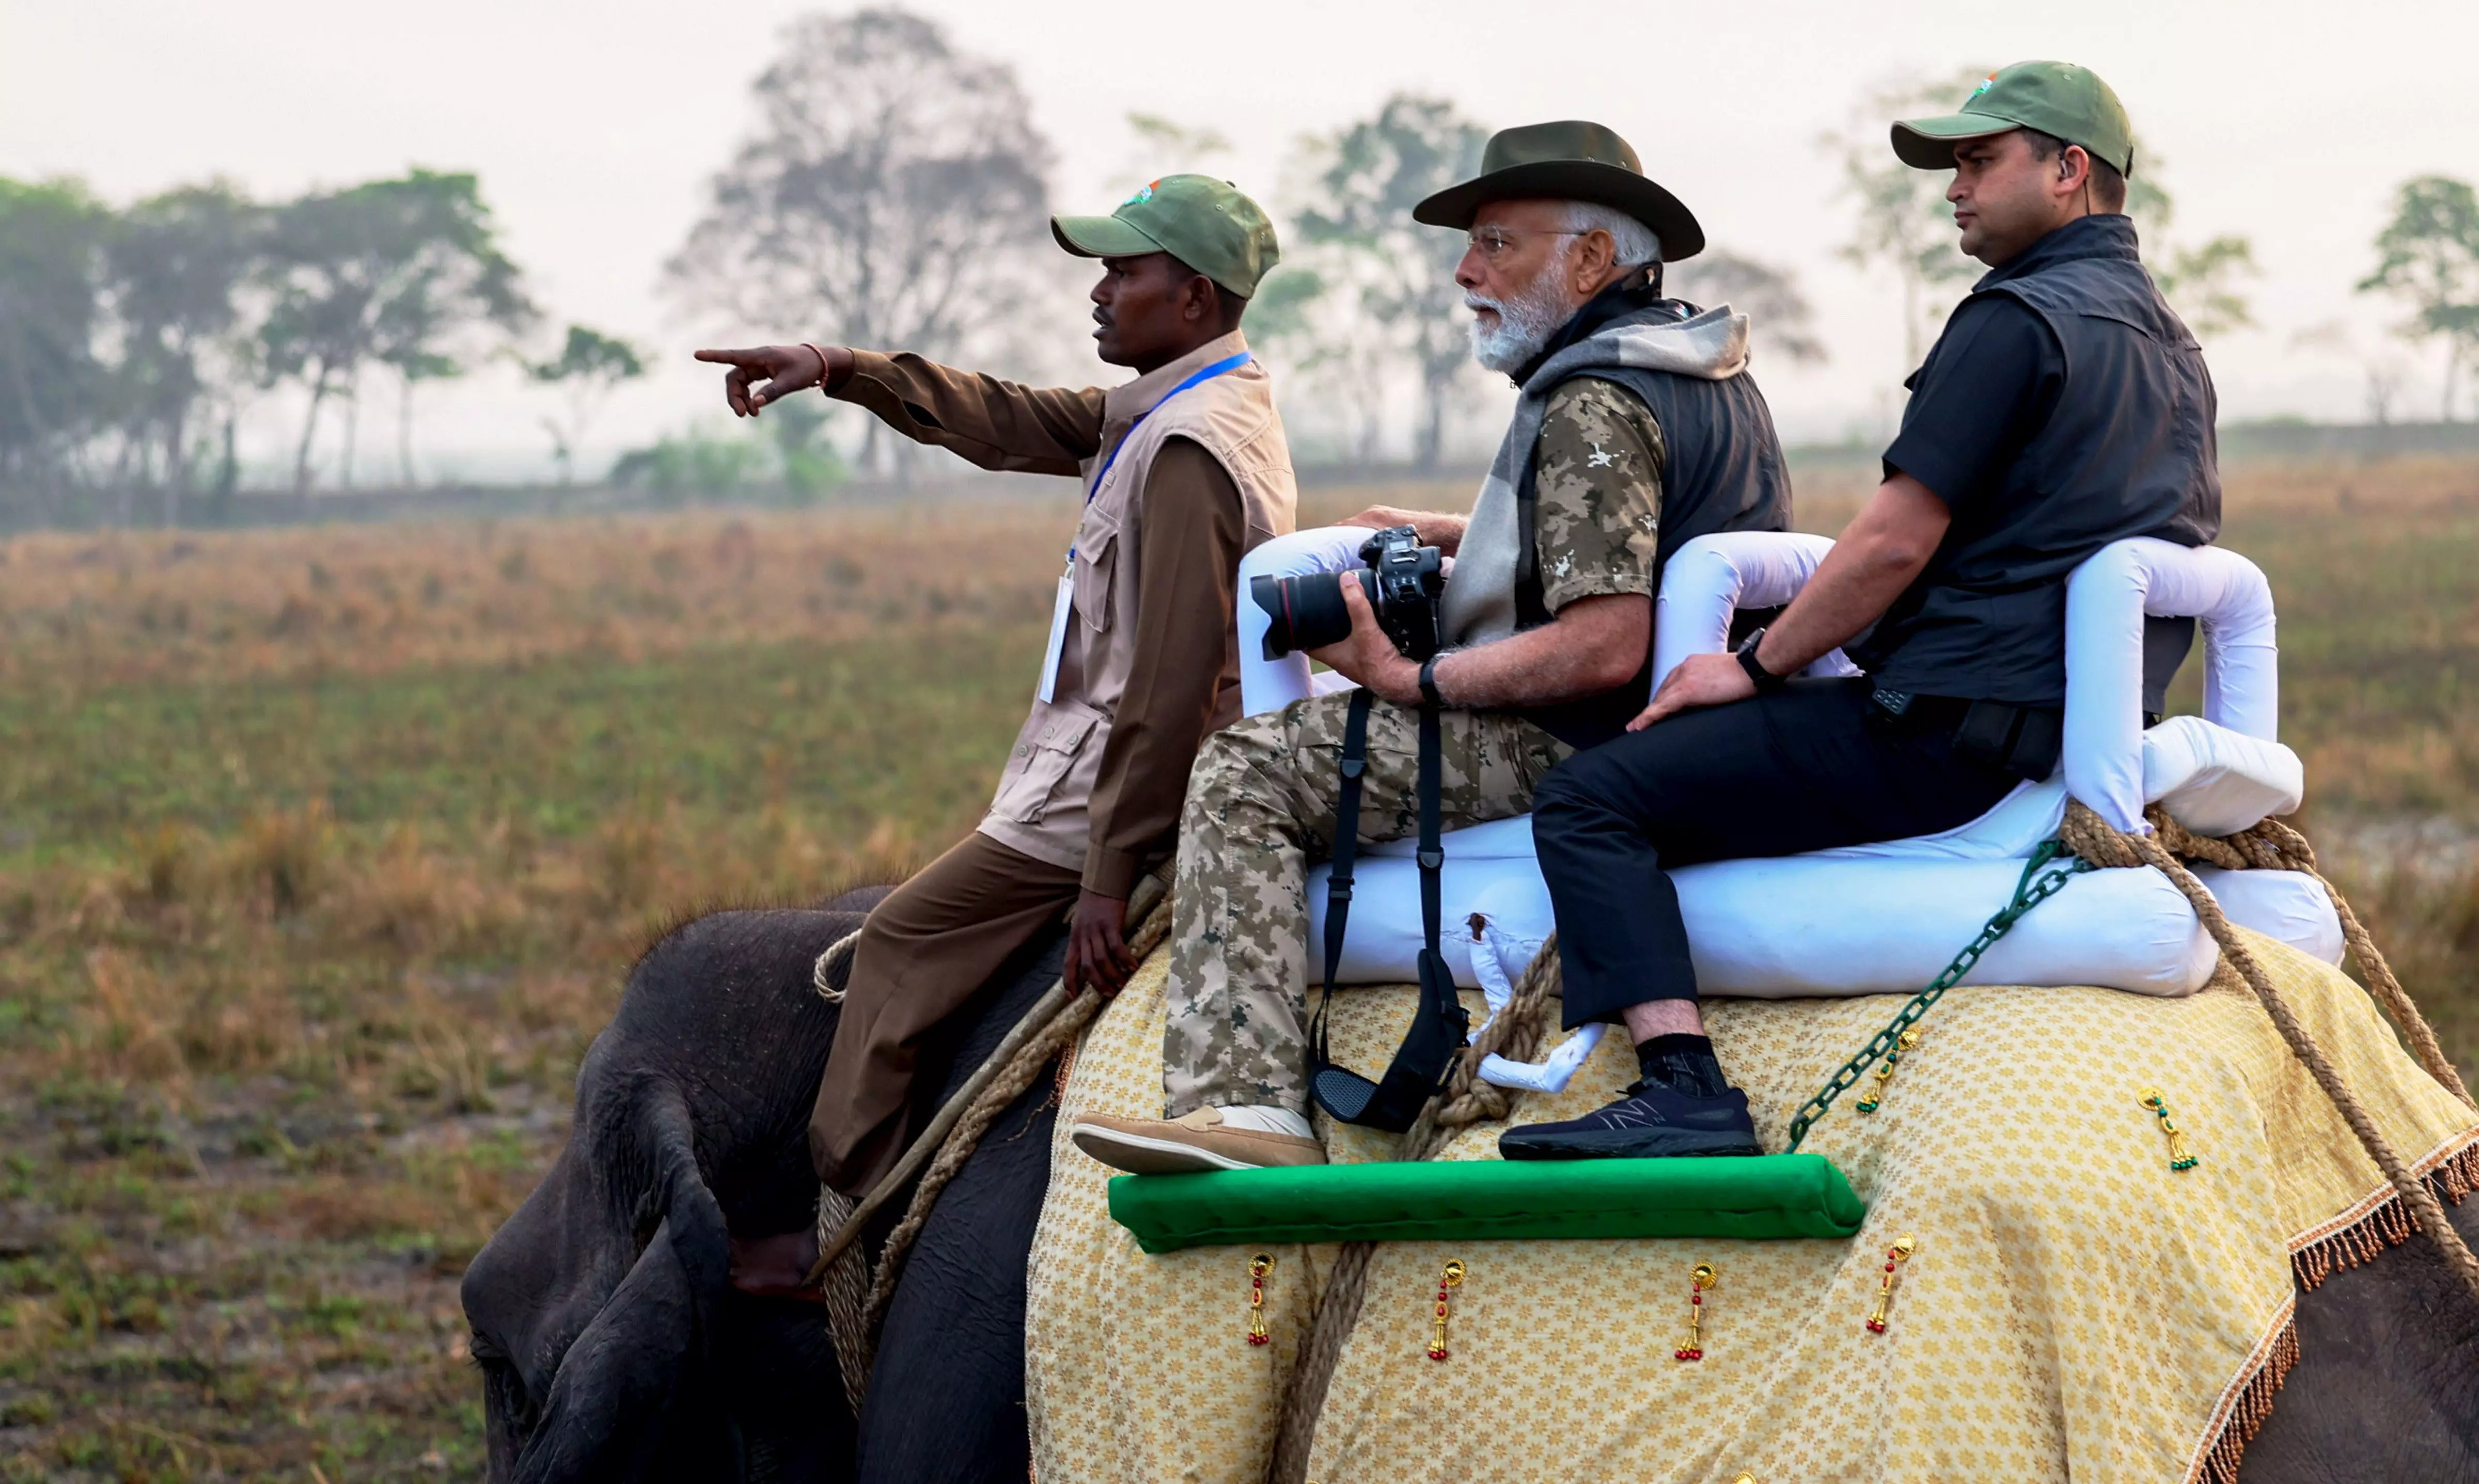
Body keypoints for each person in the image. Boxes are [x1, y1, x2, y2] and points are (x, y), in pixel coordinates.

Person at [1495, 60, 2223, 1159]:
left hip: (1945, 736)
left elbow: (1890, 539)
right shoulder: (2174, 345)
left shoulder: (2016, 319)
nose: (1954, 190)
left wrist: (1757, 665)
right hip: (2061, 729)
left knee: (1596, 799)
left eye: (1980, 162)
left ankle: (1684, 1086)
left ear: (2070, 171)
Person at [1069, 121, 1793, 1174]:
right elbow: (1636, 542)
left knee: (1244, 768)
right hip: (1681, 727)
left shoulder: (1592, 398)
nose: (1465, 271)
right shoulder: (1705, 366)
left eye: (1498, 243)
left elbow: (1602, 644)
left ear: (1591, 259)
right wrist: (1485, 538)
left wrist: (1414, 676)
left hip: (1577, 735)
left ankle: (1246, 1112)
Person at [695, 176, 1296, 1199]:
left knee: (898, 940)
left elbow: (1171, 685)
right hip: (1092, 769)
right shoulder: (1169, 411)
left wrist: (1108, 873)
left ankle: (859, 1216)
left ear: (1194, 299)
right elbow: (1004, 417)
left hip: (1116, 788)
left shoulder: (1191, 447)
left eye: (1124, 271)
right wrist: (838, 368)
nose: (1100, 291)